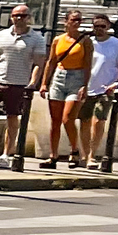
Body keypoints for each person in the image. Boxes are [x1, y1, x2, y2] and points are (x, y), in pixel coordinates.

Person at [0, 3, 47, 165]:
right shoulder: (0, 36)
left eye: (22, 15)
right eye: (16, 15)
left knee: (12, 118)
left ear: (29, 18)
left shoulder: (37, 39)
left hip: (19, 84)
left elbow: (38, 64)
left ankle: (6, 153)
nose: (19, 18)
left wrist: (33, 82)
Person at [32, 10, 94, 168]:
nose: (77, 23)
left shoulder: (85, 41)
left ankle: (74, 150)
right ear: (66, 21)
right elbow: (51, 61)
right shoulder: (58, 39)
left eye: (79, 20)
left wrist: (85, 85)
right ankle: (53, 156)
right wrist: (44, 83)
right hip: (59, 77)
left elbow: (87, 65)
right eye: (73, 20)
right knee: (55, 120)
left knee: (68, 118)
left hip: (77, 77)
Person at [80, 15, 118, 168]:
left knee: (99, 121)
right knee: (84, 120)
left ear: (108, 27)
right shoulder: (88, 43)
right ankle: (85, 154)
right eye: (96, 26)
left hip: (106, 88)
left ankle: (92, 155)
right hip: (87, 87)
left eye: (102, 26)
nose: (99, 29)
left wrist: (117, 84)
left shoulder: (117, 44)